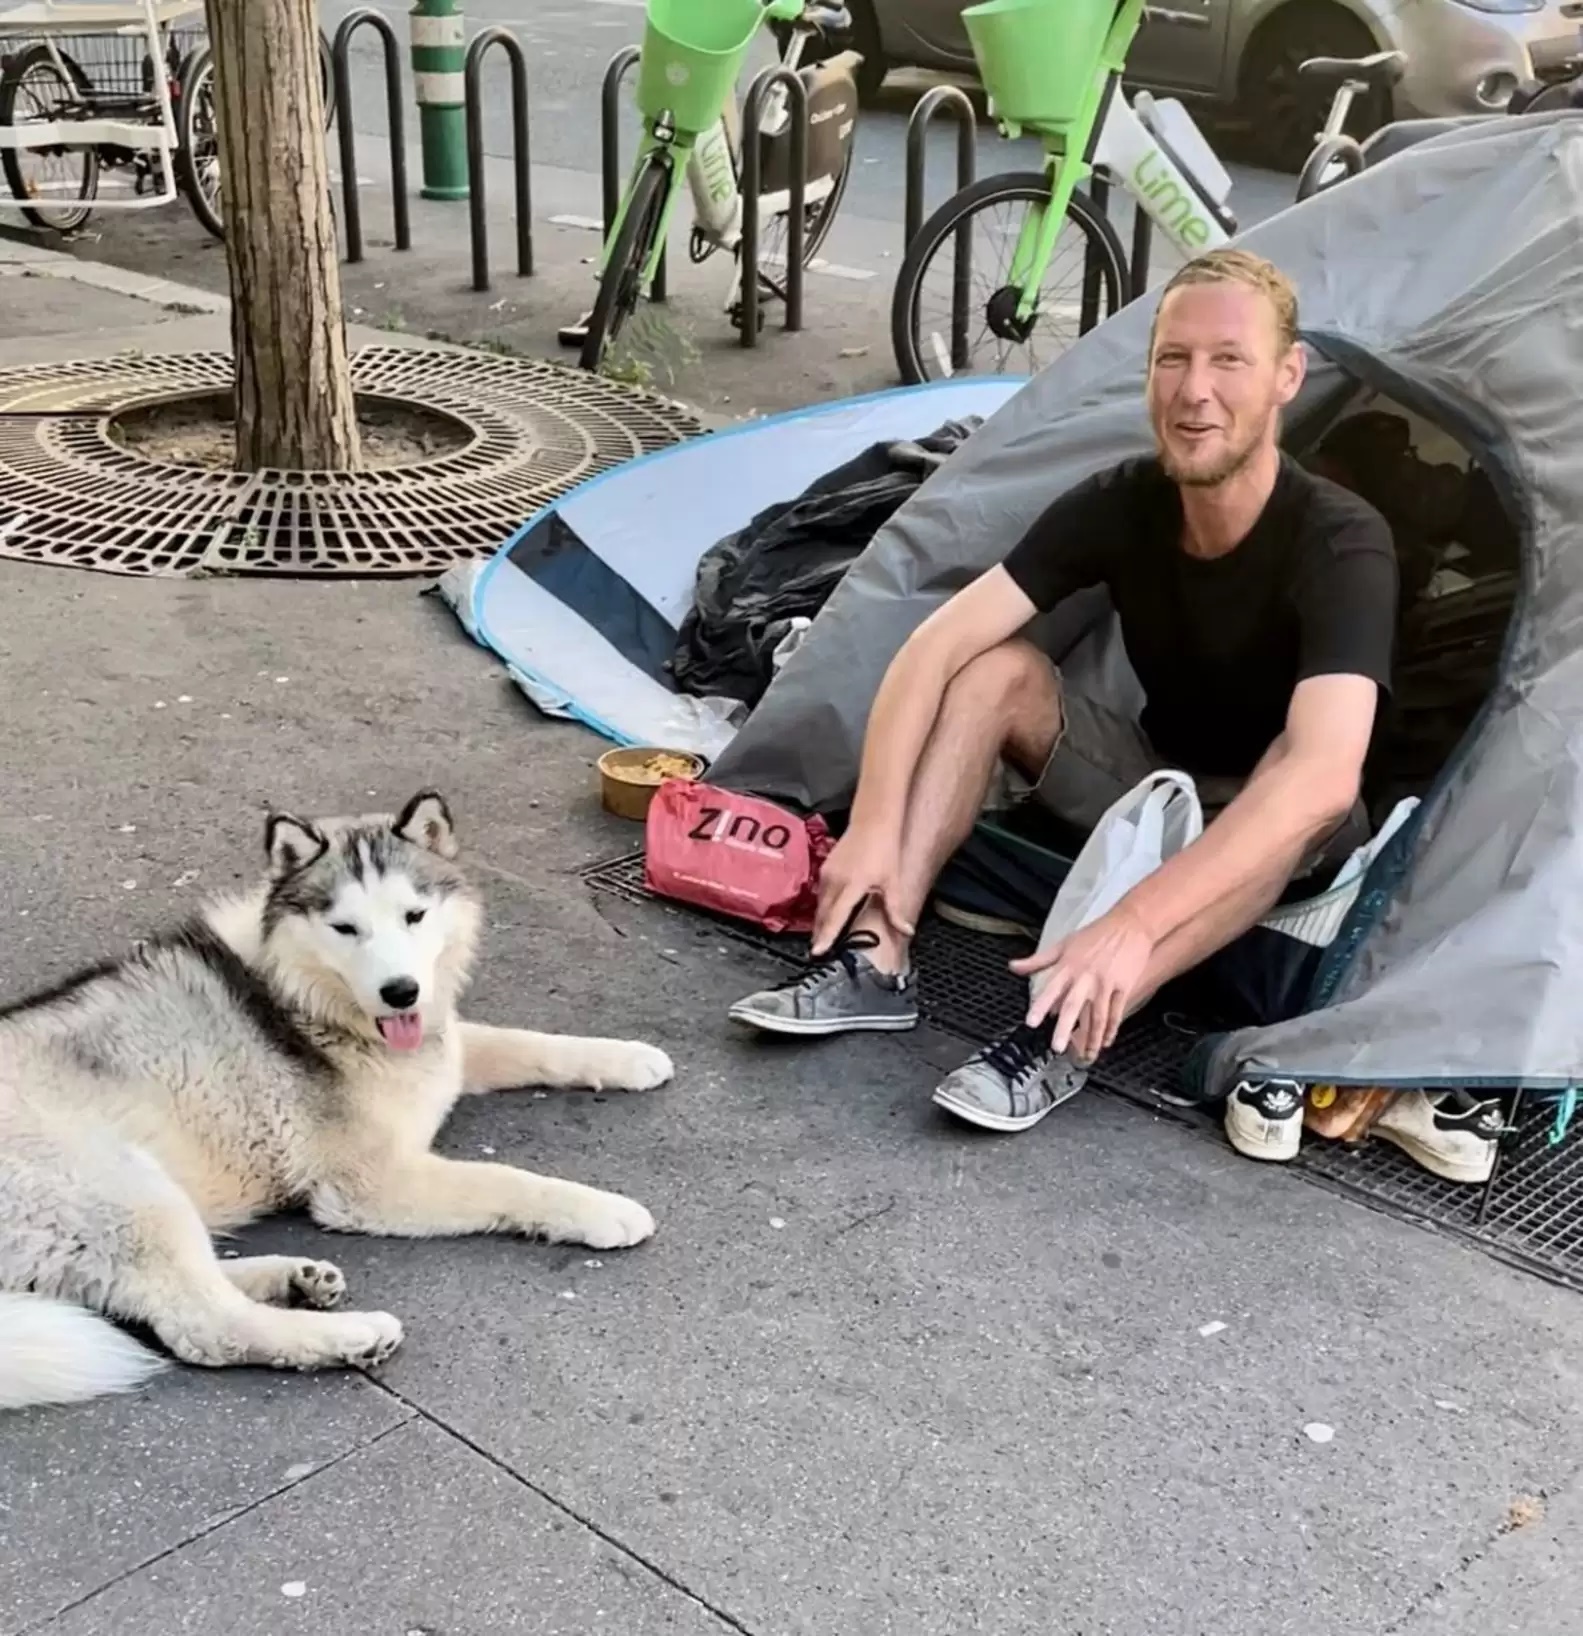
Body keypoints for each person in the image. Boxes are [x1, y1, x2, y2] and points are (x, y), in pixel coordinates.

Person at [727, 247, 1402, 1162]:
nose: (1194, 390)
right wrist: (874, 822)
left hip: (1282, 825)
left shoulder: (1340, 539)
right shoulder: (1123, 502)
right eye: (1172, 358)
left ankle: (1071, 1028)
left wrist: (1130, 923)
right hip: (1154, 786)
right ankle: (880, 957)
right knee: (994, 669)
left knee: (1288, 777)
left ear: (1287, 377)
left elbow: (1323, 780)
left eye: (1227, 360)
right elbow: (933, 648)